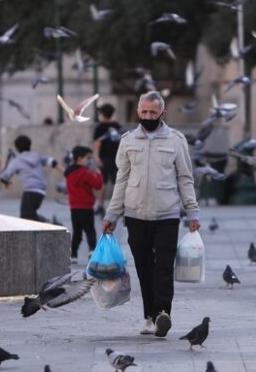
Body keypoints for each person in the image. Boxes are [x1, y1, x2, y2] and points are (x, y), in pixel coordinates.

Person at [102, 91, 200, 338]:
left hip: (167, 214)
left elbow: (185, 178)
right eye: (144, 112)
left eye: (152, 113)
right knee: (144, 268)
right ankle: (149, 317)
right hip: (135, 215)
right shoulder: (127, 141)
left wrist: (192, 212)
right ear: (137, 112)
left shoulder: (176, 141)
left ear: (162, 114)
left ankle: (162, 314)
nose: (148, 116)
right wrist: (112, 215)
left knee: (164, 267)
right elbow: (121, 179)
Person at [0, 135, 63, 220]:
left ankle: (48, 224)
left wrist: (6, 182)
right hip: (41, 192)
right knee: (30, 215)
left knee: (26, 216)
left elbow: (4, 176)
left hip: (30, 192)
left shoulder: (17, 161)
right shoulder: (37, 156)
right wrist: (65, 172)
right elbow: (52, 162)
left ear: (17, 148)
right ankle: (47, 224)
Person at [65, 145, 104, 264]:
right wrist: (98, 173)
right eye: (88, 158)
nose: (89, 160)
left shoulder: (69, 173)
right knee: (90, 230)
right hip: (86, 207)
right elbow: (98, 185)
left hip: (74, 207)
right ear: (80, 159)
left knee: (77, 232)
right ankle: (92, 251)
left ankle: (73, 254)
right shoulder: (86, 173)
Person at [93, 103, 122, 216]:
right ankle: (116, 207)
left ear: (102, 114)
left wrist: (96, 157)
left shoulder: (99, 128)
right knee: (117, 183)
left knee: (103, 182)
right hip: (117, 158)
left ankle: (100, 205)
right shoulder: (117, 126)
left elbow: (96, 144)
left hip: (103, 158)